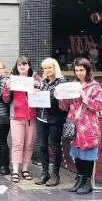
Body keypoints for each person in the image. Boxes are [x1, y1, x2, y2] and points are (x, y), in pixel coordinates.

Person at [58, 58, 102, 195]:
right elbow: (65, 107)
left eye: (81, 70)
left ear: (87, 70)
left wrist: (85, 97)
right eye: (76, 70)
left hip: (89, 126)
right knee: (77, 154)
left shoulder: (94, 86)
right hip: (74, 125)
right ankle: (79, 179)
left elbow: (99, 105)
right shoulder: (72, 85)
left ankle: (87, 182)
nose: (79, 73)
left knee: (88, 154)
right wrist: (61, 98)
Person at [3, 56, 39, 183]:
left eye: (24, 64)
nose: (22, 67)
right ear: (16, 67)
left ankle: (25, 169)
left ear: (29, 66)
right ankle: (15, 170)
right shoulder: (12, 79)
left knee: (29, 144)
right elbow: (6, 100)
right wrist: (7, 88)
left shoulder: (36, 78)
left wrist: (38, 89)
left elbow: (42, 97)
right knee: (17, 143)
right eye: (19, 65)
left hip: (31, 117)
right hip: (16, 117)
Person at [35, 58, 67, 186]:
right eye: (45, 68)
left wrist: (44, 96)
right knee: (42, 146)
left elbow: (62, 100)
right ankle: (45, 173)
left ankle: (55, 175)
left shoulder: (62, 82)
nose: (47, 70)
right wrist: (34, 94)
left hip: (55, 119)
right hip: (41, 118)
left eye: (49, 67)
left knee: (55, 147)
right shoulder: (42, 82)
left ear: (55, 68)